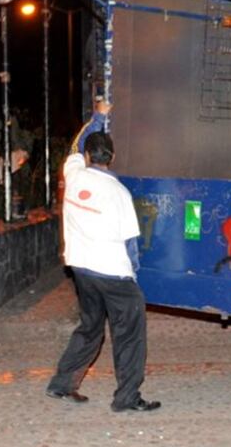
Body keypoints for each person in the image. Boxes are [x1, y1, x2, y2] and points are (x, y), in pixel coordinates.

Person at [45, 100, 161, 413]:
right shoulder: (119, 193)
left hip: (82, 270)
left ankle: (62, 384)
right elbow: (130, 244)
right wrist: (133, 280)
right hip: (113, 273)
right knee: (129, 336)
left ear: (86, 157)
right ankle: (126, 398)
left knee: (90, 327)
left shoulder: (73, 176)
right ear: (112, 157)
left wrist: (99, 116)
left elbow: (76, 143)